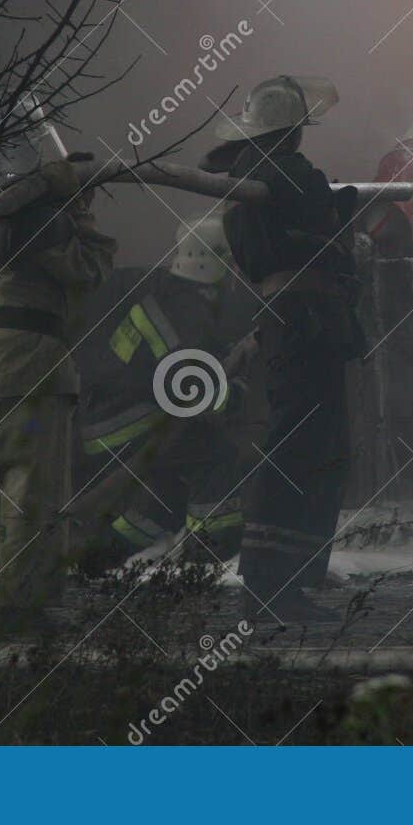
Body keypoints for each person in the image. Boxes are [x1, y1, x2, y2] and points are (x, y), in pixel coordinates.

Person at [202, 75, 366, 623]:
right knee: (298, 451)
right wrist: (333, 210)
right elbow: (300, 214)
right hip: (302, 325)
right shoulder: (279, 177)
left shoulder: (259, 185)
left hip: (304, 325)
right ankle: (268, 587)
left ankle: (289, 584)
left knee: (322, 450)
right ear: (291, 134)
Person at [0, 127, 115, 634]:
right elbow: (92, 269)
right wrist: (78, 206)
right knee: (30, 494)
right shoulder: (42, 222)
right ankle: (22, 610)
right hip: (30, 369)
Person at [71, 212, 256, 572]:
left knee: (165, 494)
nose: (236, 271)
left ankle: (98, 559)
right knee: (215, 454)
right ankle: (210, 555)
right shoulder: (185, 309)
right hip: (129, 420)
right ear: (212, 261)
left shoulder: (169, 293)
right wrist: (236, 392)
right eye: (230, 261)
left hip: (109, 418)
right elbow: (194, 394)